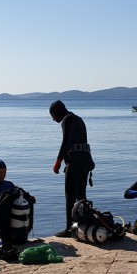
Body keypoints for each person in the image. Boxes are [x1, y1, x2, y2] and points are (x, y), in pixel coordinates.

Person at [49, 100, 95, 237]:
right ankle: (83, 225)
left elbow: (66, 141)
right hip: (86, 162)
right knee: (81, 196)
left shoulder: (66, 120)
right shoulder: (78, 119)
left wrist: (58, 161)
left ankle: (69, 228)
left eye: (52, 115)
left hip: (75, 163)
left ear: (56, 112)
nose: (53, 119)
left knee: (70, 196)